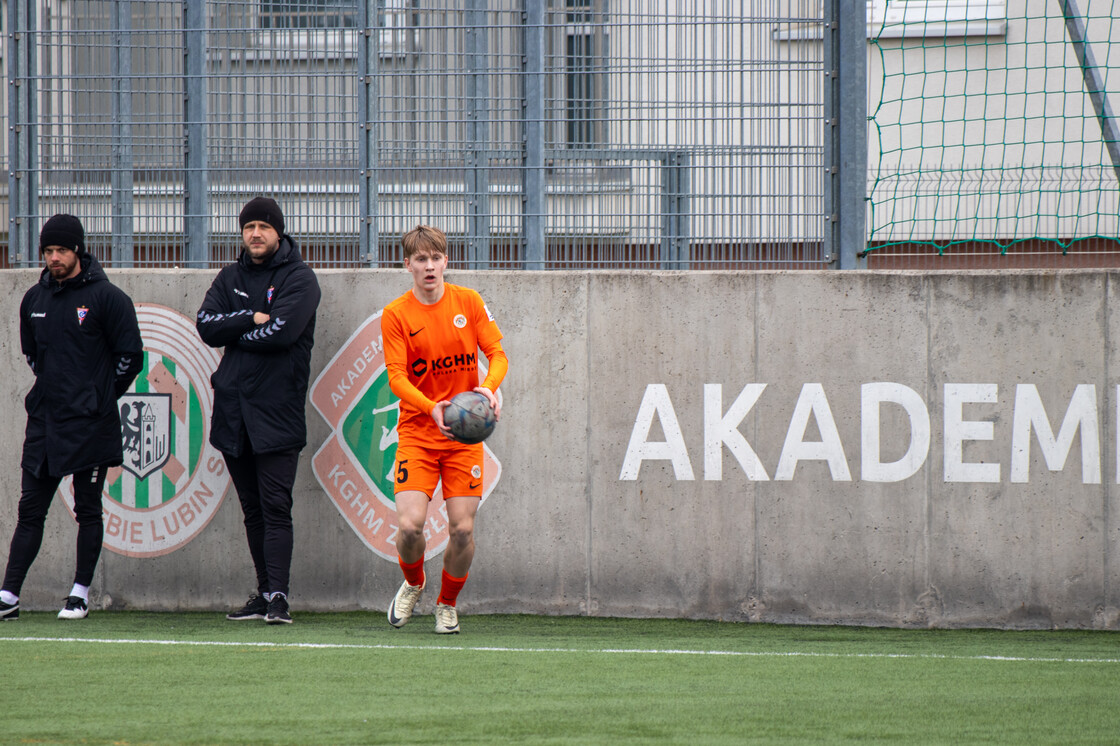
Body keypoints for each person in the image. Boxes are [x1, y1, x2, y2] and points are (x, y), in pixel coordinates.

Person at [0, 214, 143, 621]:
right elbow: (32, 355)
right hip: (45, 421)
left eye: (61, 250)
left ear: (78, 250)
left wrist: (97, 396)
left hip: (90, 424)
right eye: (48, 251)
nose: (54, 258)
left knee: (88, 510)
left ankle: (79, 593)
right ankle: (9, 595)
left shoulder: (107, 298)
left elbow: (130, 357)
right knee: (30, 509)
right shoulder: (34, 299)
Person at [196, 197, 320, 625]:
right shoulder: (229, 276)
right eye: (248, 226)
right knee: (251, 508)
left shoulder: (300, 279)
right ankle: (264, 592)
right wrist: (251, 317)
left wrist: (241, 332)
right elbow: (206, 326)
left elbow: (282, 334)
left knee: (275, 505)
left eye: (264, 227)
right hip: (233, 412)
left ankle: (280, 598)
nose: (255, 234)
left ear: (278, 232)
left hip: (277, 413)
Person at [380, 224, 508, 634]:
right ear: (408, 265)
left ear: (446, 261)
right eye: (421, 259)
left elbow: (498, 354)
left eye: (436, 258)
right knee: (410, 526)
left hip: (463, 437)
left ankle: (447, 604)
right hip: (419, 432)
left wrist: (488, 389)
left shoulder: (468, 302)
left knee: (463, 528)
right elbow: (397, 377)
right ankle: (414, 583)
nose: (429, 266)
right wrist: (431, 407)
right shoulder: (396, 314)